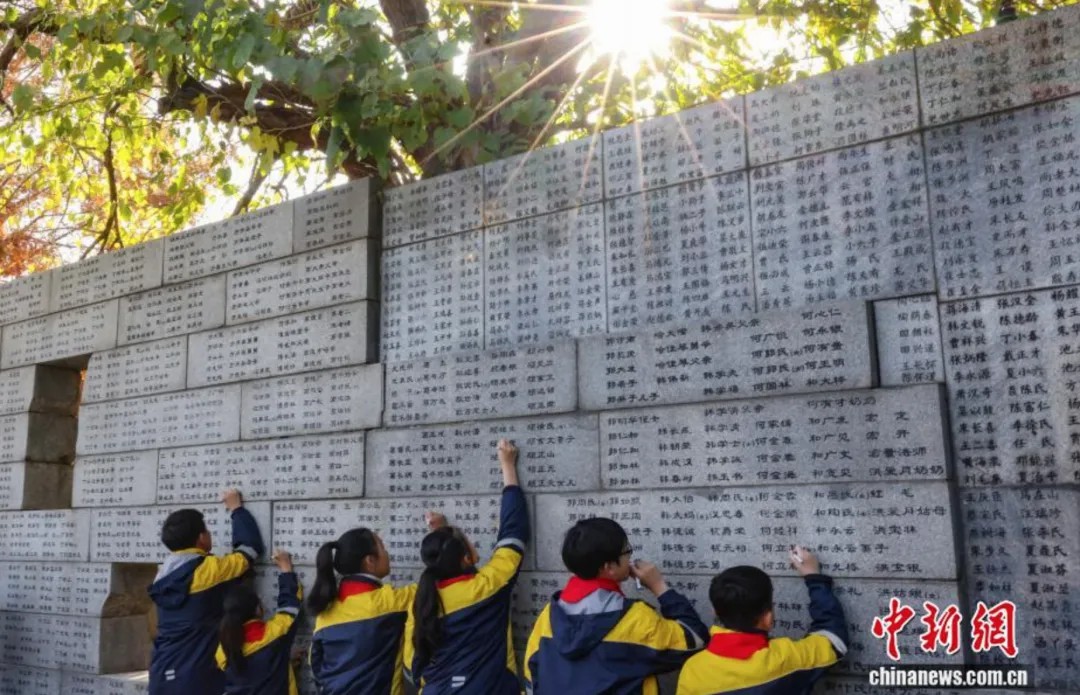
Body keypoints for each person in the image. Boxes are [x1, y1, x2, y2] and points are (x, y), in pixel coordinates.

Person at [523, 517, 709, 694]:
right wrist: (659, 586)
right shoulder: (634, 619)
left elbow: (531, 678)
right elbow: (695, 640)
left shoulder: (548, 616)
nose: (630, 557)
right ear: (609, 567)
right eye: (626, 551)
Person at [404, 438, 528, 694]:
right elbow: (513, 533)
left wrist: (441, 533)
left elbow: (412, 666)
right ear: (466, 558)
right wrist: (507, 467)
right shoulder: (489, 587)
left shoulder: (421, 602)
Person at [675, 545, 848, 695]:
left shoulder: (693, 670)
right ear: (768, 618)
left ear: (715, 611)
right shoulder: (785, 658)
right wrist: (814, 578)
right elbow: (834, 639)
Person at [308, 516, 445, 695]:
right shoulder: (390, 603)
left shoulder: (324, 614)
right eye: (383, 548)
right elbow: (438, 587)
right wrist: (440, 537)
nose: (387, 554)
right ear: (370, 561)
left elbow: (315, 666)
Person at [149, 488, 265, 695]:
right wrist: (237, 510)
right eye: (207, 530)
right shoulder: (209, 570)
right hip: (197, 676)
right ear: (201, 538)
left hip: (162, 672)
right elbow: (249, 550)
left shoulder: (163, 574)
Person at [216, 549, 303, 695]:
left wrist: (283, 659)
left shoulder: (223, 650)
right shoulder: (274, 635)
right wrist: (286, 570)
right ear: (258, 609)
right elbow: (290, 608)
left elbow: (252, 673)